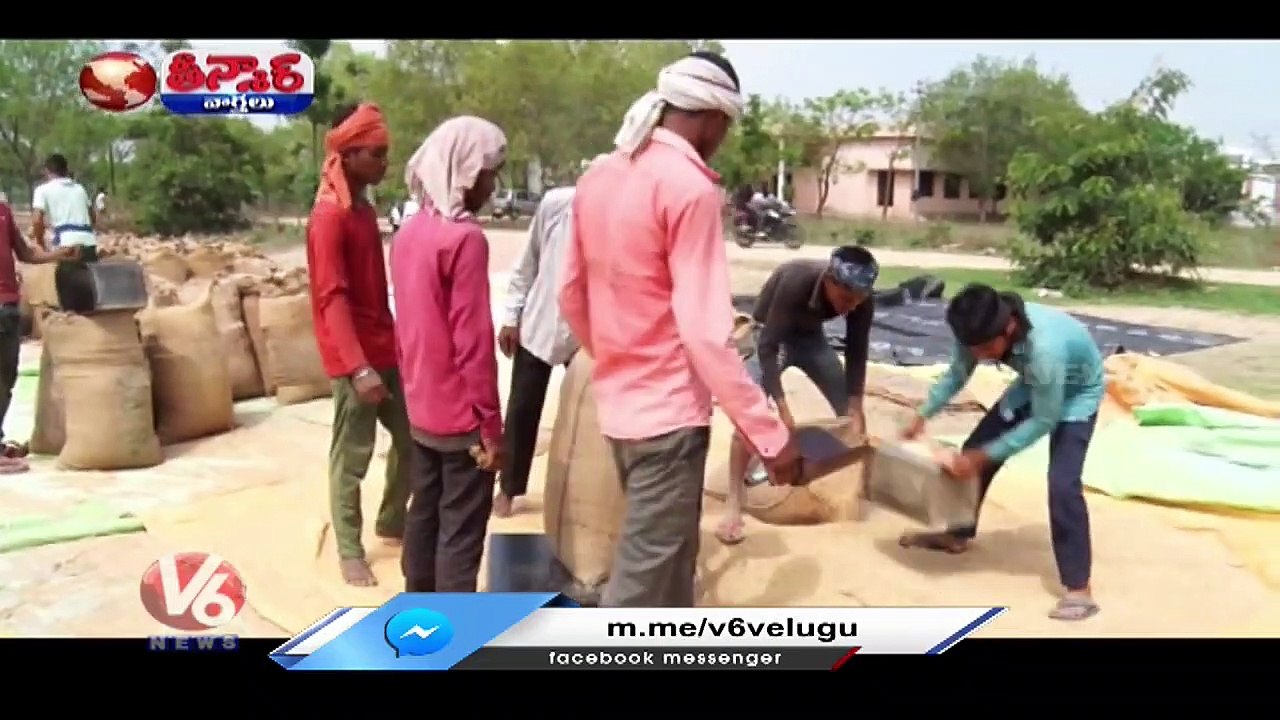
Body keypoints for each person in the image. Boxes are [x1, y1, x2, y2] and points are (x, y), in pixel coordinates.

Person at [559, 51, 801, 609]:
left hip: (620, 406)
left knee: (670, 572)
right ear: (715, 117)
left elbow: (570, 293)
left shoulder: (600, 175)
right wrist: (769, 436)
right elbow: (704, 331)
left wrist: (617, 356)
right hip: (668, 420)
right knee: (639, 587)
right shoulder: (690, 189)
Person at [899, 283, 1105, 622]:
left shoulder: (1044, 349)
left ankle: (1079, 590)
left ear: (1008, 327)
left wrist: (985, 456)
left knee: (1062, 484)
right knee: (972, 450)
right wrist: (922, 415)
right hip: (1033, 385)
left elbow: (1044, 419)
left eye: (983, 349)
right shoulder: (976, 329)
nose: (977, 355)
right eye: (971, 348)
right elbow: (957, 374)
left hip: (1077, 392)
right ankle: (957, 534)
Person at [392, 116, 508, 593]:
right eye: (488, 171)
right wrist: (490, 425)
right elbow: (473, 341)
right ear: (464, 170)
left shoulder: (407, 234)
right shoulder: (465, 240)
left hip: (421, 407)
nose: (492, 183)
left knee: (424, 514)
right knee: (460, 535)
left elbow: (408, 327)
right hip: (462, 418)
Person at [306, 102, 412, 588]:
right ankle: (350, 549)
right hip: (355, 357)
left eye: (387, 153)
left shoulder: (364, 209)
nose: (384, 163)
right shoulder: (330, 217)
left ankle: (392, 520)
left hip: (384, 344)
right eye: (376, 154)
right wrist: (357, 367)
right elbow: (332, 299)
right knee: (352, 456)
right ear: (348, 155)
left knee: (413, 440)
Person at [716, 245, 878, 544]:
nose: (851, 307)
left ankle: (859, 489)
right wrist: (782, 407)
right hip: (771, 337)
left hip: (811, 338)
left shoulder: (861, 301)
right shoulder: (796, 280)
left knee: (852, 417)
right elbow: (767, 347)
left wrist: (856, 404)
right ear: (829, 281)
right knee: (751, 417)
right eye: (845, 299)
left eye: (859, 301)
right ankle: (734, 503)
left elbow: (857, 351)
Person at [494, 158, 605, 518]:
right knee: (523, 408)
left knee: (588, 414)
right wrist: (511, 317)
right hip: (540, 322)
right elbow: (527, 264)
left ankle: (581, 493)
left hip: (586, 332)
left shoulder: (618, 219)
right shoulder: (556, 205)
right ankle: (509, 489)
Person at [0, 200, 77, 468]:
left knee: (6, 378)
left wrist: (58, 254)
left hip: (7, 306)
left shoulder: (3, 211)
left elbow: (24, 253)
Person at [31, 154, 98, 261]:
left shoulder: (42, 190)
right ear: (66, 170)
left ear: (46, 171)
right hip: (89, 244)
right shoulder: (80, 188)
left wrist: (40, 242)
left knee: (65, 276)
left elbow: (37, 220)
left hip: (65, 246)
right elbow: (93, 217)